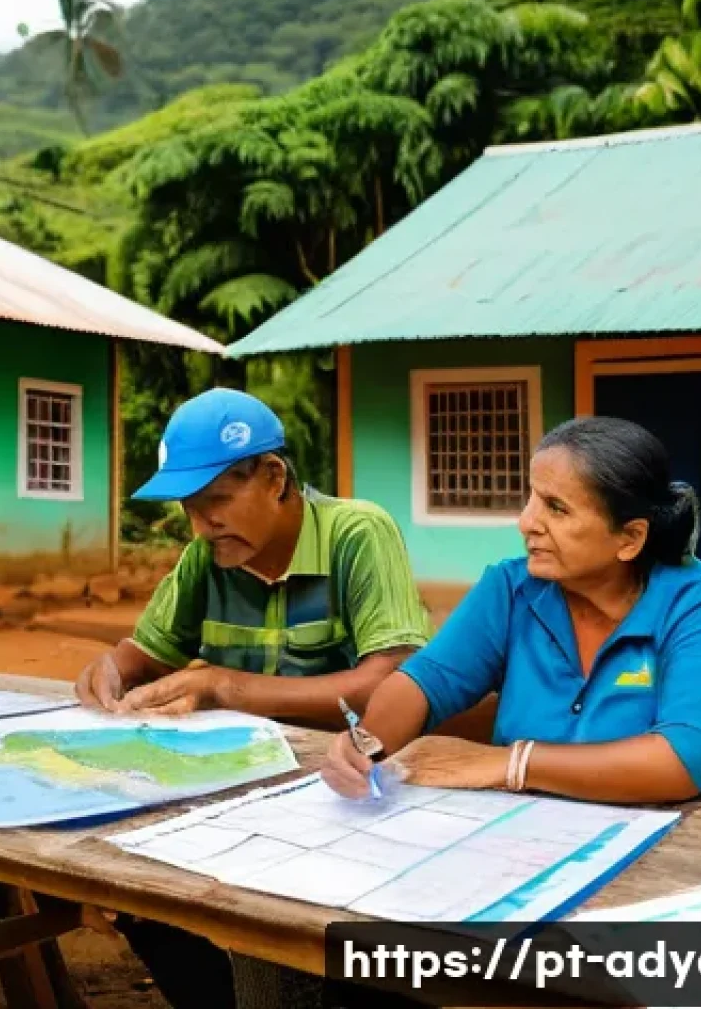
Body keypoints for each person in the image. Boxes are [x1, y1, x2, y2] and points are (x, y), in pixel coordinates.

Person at [76, 387, 433, 1009]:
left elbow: (392, 682)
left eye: (216, 501)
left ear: (273, 477)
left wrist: (224, 686)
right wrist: (111, 668)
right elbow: (143, 655)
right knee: (138, 897)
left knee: (334, 954)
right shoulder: (205, 557)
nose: (201, 524)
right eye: (189, 507)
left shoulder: (358, 534)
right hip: (239, 798)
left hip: (348, 797)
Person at [323, 415, 701, 811]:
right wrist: (368, 742)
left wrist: (512, 764)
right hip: (540, 829)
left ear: (629, 538)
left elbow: (682, 761)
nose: (527, 522)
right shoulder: (512, 589)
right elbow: (426, 681)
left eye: (556, 507)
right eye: (531, 497)